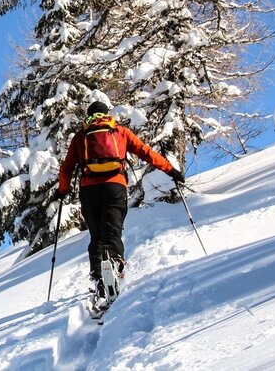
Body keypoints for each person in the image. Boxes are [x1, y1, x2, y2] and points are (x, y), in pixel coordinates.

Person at [55, 101, 184, 295]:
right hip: (115, 186)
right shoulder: (120, 131)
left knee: (97, 235)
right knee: (113, 232)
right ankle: (115, 266)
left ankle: (98, 276)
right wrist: (170, 169)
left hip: (89, 190)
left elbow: (66, 169)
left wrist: (62, 191)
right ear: (107, 114)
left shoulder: (81, 136)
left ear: (88, 116)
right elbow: (146, 152)